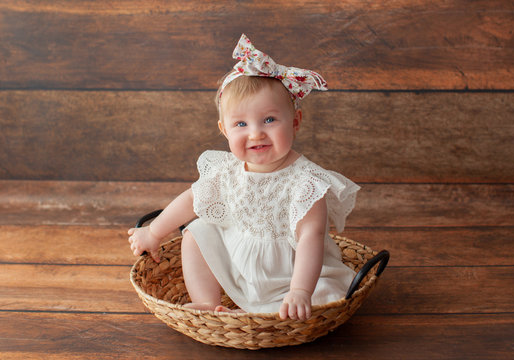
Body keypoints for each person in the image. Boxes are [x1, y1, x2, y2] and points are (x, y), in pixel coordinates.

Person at [128, 34, 359, 321]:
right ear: (224, 130)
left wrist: (300, 290)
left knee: (325, 297)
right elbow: (191, 199)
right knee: (197, 232)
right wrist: (153, 232)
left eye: (269, 120)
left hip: (292, 275)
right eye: (241, 123)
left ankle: (283, 304)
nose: (255, 133)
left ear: (295, 122)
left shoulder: (306, 182)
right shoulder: (227, 170)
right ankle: (207, 302)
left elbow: (311, 236)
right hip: (240, 267)